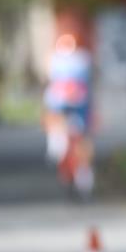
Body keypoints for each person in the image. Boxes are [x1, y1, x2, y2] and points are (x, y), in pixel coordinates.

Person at [43, 33, 94, 198]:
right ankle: (59, 153)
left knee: (79, 144)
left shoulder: (76, 62)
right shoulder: (73, 62)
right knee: (66, 139)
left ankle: (82, 178)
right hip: (66, 108)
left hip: (77, 108)